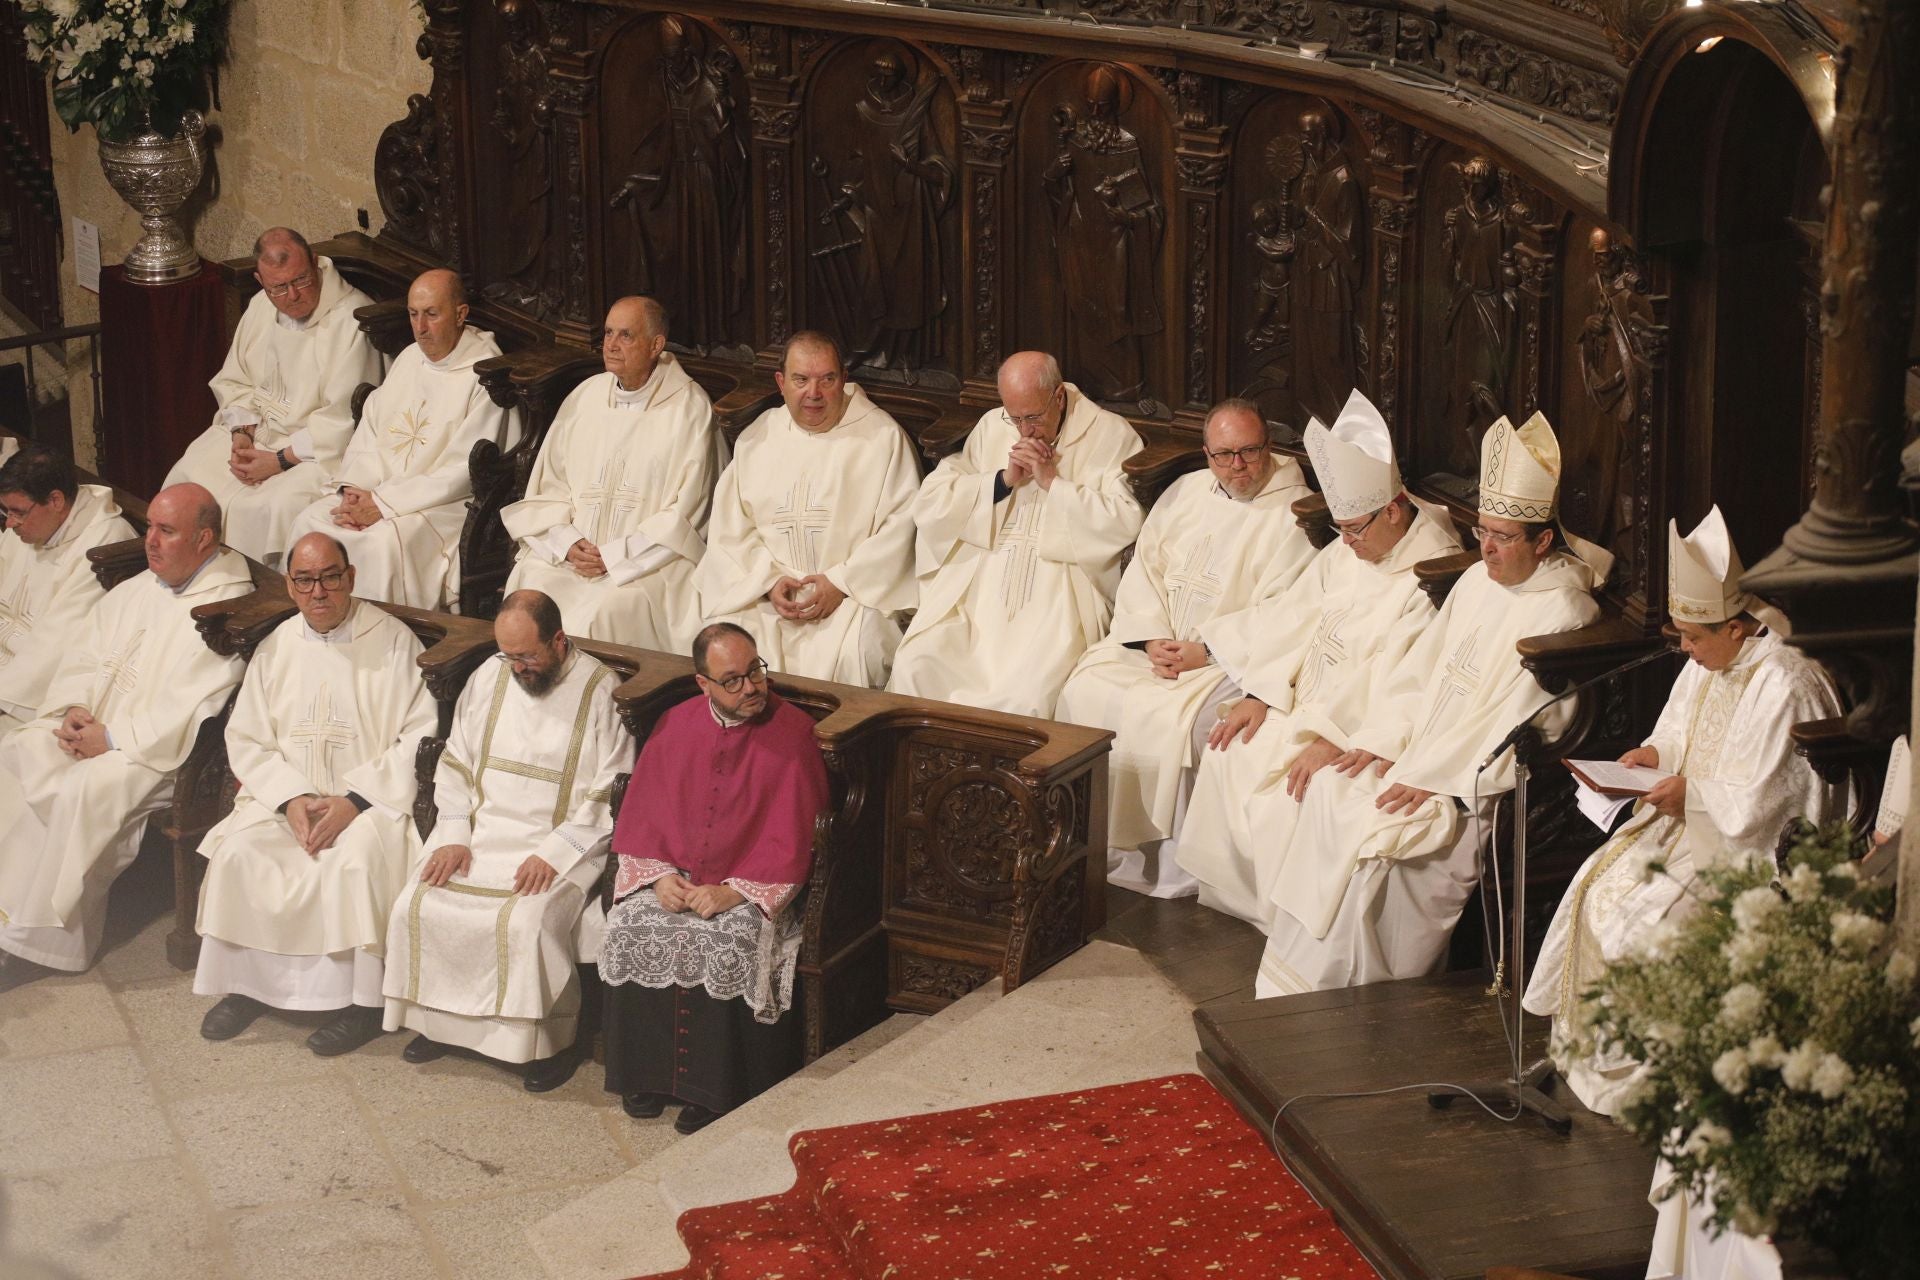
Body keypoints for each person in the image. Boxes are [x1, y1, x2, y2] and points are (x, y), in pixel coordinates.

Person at [1252, 412, 1610, 996]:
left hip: (1470, 788)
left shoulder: (1564, 612)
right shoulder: (1475, 582)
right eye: (1483, 533)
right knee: (1334, 789)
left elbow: (1523, 722)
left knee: (1375, 841)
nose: (1487, 548)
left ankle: (1358, 994)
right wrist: (1380, 740)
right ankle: (1295, 982)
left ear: (1543, 541)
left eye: (1503, 537)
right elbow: (1418, 674)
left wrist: (1435, 774)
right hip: (1419, 758)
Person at [1525, 506, 1844, 1116]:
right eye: (1681, 637)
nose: (1687, 651)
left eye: (1695, 638)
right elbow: (1681, 729)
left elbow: (1775, 799)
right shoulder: (1710, 658)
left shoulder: (1787, 681)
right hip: (1683, 825)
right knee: (1595, 889)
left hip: (1739, 852)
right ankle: (1588, 1055)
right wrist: (1654, 752)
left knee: (1641, 926)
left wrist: (1690, 795)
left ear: (1739, 627)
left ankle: (1645, 1078)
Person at [1176, 391, 1464, 923]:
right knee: (1229, 746)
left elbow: (1404, 673)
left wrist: (1332, 736)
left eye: (1355, 530)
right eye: (1342, 529)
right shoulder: (1352, 545)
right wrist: (1259, 691)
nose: (1346, 543)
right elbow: (1295, 616)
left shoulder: (1431, 572)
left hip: (1343, 720)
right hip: (1301, 701)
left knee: (1291, 784)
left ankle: (1278, 920)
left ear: (1395, 509)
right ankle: (1233, 902)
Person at [1054, 399, 1314, 897]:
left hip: (1225, 662)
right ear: (1206, 453)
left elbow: (1289, 610)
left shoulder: (1293, 513)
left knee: (1187, 727)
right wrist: (1150, 635)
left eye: (1248, 452)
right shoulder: (1186, 490)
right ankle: (1093, 841)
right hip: (1161, 646)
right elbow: (1146, 568)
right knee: (1085, 687)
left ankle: (1168, 866)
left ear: (1270, 447)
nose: (1237, 466)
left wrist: (1208, 651)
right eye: (1223, 455)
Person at [192, 533, 437, 1056]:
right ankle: (247, 987)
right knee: (240, 855)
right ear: (290, 585)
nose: (318, 591)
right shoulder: (277, 645)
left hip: (369, 805)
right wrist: (289, 798)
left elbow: (419, 736)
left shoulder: (393, 643)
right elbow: (248, 737)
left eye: (329, 577)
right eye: (305, 580)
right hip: (288, 802)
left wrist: (355, 801)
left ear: (349, 578)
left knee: (354, 865)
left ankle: (361, 1005)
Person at [0, 485, 253, 990]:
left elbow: (196, 706)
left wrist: (113, 737)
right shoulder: (145, 584)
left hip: (156, 754)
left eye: (166, 531)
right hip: (97, 728)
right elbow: (85, 652)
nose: (150, 541)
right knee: (19, 751)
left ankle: (45, 939)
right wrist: (74, 708)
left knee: (83, 790)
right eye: (151, 528)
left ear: (204, 539)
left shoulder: (224, 610)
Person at [381, 590, 631, 1091]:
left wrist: (555, 854)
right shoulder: (489, 675)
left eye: (527, 655)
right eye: (508, 655)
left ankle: (541, 1048)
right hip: (483, 833)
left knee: (526, 921)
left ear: (558, 640)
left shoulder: (602, 690)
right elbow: (455, 760)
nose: (516, 667)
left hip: (559, 844)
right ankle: (442, 1025)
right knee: (419, 901)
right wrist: (453, 833)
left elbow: (613, 784)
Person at [599, 623, 830, 1134]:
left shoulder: (792, 735)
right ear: (703, 683)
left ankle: (714, 1087)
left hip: (751, 887)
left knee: (730, 940)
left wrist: (733, 892)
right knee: (631, 925)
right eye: (733, 680)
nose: (750, 688)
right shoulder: (675, 725)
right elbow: (646, 814)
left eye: (755, 672)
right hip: (677, 877)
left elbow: (795, 839)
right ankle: (646, 1074)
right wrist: (659, 878)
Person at [888, 351, 1144, 717]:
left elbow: (1126, 520)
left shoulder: (1110, 435)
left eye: (1034, 417)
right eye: (1016, 418)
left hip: (1060, 592)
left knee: (1030, 692)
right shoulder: (995, 425)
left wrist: (1053, 483)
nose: (1024, 430)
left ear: (1058, 397)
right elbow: (933, 502)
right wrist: (1003, 481)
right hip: (983, 582)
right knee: (918, 663)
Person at [694, 331, 918, 687]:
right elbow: (731, 529)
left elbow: (902, 526)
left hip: (851, 598)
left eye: (826, 379)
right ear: (781, 382)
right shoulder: (758, 438)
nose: (813, 393)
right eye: (801, 380)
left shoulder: (881, 438)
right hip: (768, 594)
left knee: (862, 650)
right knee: (725, 642)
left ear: (844, 380)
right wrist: (768, 582)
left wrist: (840, 582)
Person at [502, 296, 723, 650]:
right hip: (576, 557)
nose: (611, 345)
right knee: (528, 587)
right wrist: (567, 543)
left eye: (626, 335)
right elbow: (550, 486)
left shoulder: (688, 409)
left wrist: (616, 556)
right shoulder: (585, 397)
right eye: (607, 333)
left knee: (604, 614)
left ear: (656, 345)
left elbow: (687, 513)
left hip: (648, 564)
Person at [286, 268, 516, 609]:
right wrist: (354, 491)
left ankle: (387, 639)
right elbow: (372, 427)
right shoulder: (410, 358)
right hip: (379, 491)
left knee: (383, 545)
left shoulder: (485, 373)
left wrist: (384, 503)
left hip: (442, 504)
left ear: (460, 314)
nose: (420, 328)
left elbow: (462, 471)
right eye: (413, 314)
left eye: (432, 315)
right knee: (310, 520)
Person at [164, 228, 383, 563]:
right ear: (260, 280)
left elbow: (342, 419)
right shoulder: (260, 308)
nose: (292, 296)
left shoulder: (350, 321)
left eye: (301, 280)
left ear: (314, 263)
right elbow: (237, 379)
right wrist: (241, 433)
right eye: (278, 287)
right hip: (258, 434)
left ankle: (257, 596)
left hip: (312, 453)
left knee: (273, 507)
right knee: (192, 468)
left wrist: (279, 461)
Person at [0, 445, 136, 730]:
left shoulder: (104, 543)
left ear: (56, 500)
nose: (10, 523)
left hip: (27, 695)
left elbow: (56, 645)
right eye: (6, 512)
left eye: (18, 513)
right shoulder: (30, 526)